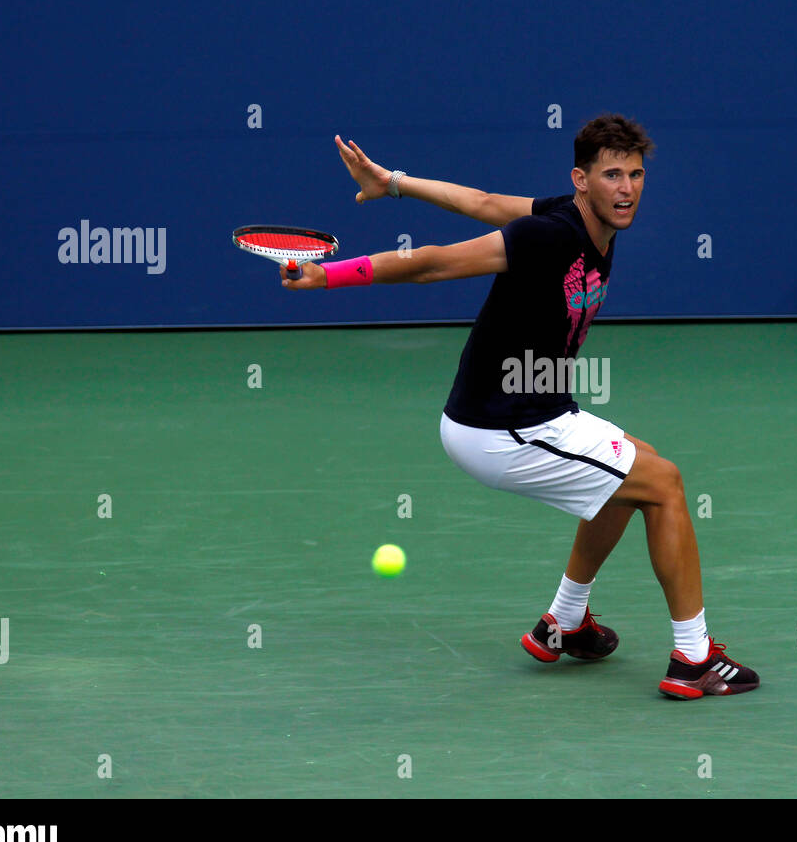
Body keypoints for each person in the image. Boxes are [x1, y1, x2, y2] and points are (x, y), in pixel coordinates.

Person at [283, 114, 758, 699]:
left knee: (637, 466)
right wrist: (326, 276)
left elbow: (481, 201)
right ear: (581, 180)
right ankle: (693, 658)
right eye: (612, 175)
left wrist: (396, 182)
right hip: (499, 426)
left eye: (635, 175)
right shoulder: (550, 237)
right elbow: (431, 262)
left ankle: (564, 621)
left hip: (538, 409)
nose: (627, 189)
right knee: (664, 483)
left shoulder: (579, 218)